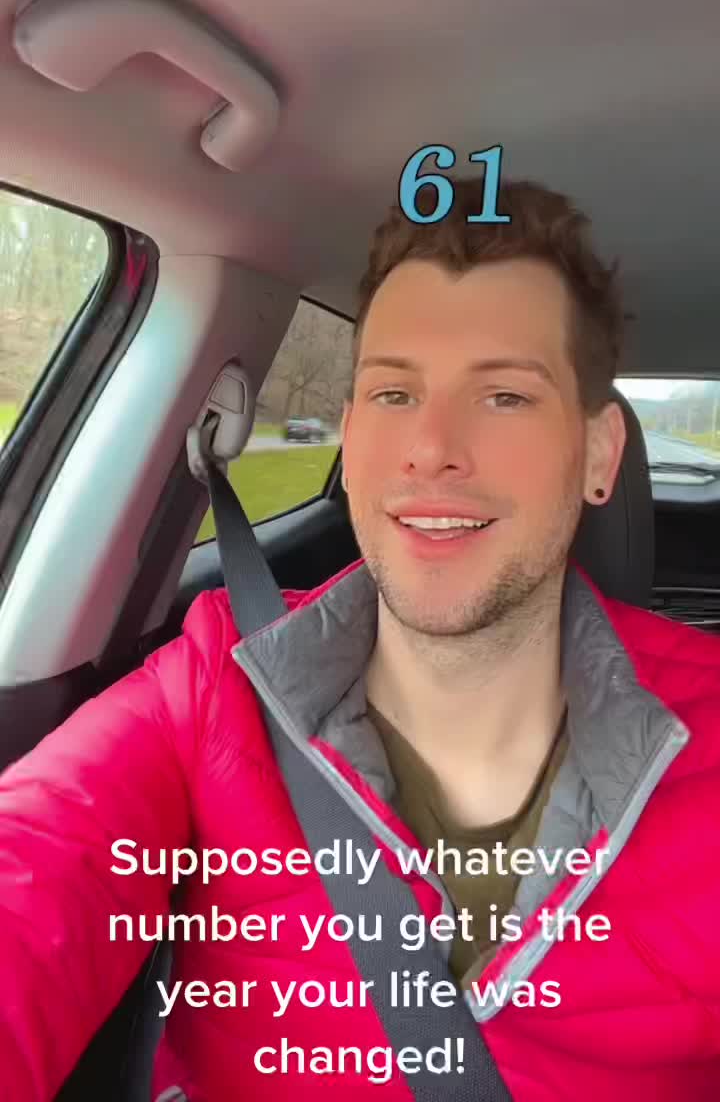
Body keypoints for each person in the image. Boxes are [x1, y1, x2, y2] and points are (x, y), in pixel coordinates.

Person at [1, 176, 719, 1101]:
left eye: (504, 395)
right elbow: (35, 867)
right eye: (393, 392)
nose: (430, 446)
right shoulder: (213, 687)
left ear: (599, 456)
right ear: (350, 432)